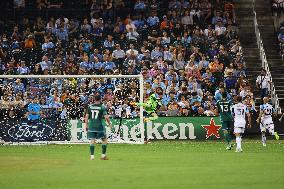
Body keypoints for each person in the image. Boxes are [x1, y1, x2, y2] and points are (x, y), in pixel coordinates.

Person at [84, 94, 112, 160]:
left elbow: (86, 117)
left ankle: (92, 156)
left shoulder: (90, 107)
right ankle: (103, 156)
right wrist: (109, 124)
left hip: (91, 126)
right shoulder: (102, 107)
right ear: (100, 99)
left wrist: (86, 125)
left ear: (94, 99)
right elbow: (106, 117)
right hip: (99, 126)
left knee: (92, 140)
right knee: (104, 140)